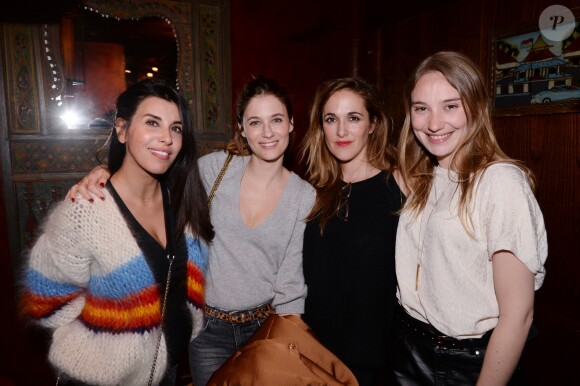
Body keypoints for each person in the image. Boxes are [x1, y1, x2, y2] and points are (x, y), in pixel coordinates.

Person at [65, 75, 316, 386]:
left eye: (276, 120)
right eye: (255, 122)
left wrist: (290, 346)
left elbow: (291, 284)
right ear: (241, 128)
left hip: (264, 330)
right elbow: (148, 182)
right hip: (207, 331)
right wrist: (104, 171)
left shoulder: (304, 195)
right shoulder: (212, 170)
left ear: (291, 123)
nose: (267, 133)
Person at [20, 78, 213, 385]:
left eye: (176, 128)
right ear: (122, 130)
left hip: (168, 372)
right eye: (153, 123)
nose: (166, 138)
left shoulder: (182, 201)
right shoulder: (85, 210)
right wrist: (104, 338)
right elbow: (45, 302)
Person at [393, 51, 548, 385]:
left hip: (468, 364)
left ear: (475, 107)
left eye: (451, 105)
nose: (434, 123)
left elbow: (518, 316)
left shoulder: (501, 182)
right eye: (422, 108)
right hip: (409, 348)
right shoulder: (424, 176)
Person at [301, 77, 403, 386]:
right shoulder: (311, 192)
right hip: (314, 356)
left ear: (373, 124)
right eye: (331, 119)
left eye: (353, 118)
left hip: (375, 363)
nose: (341, 131)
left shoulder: (400, 186)